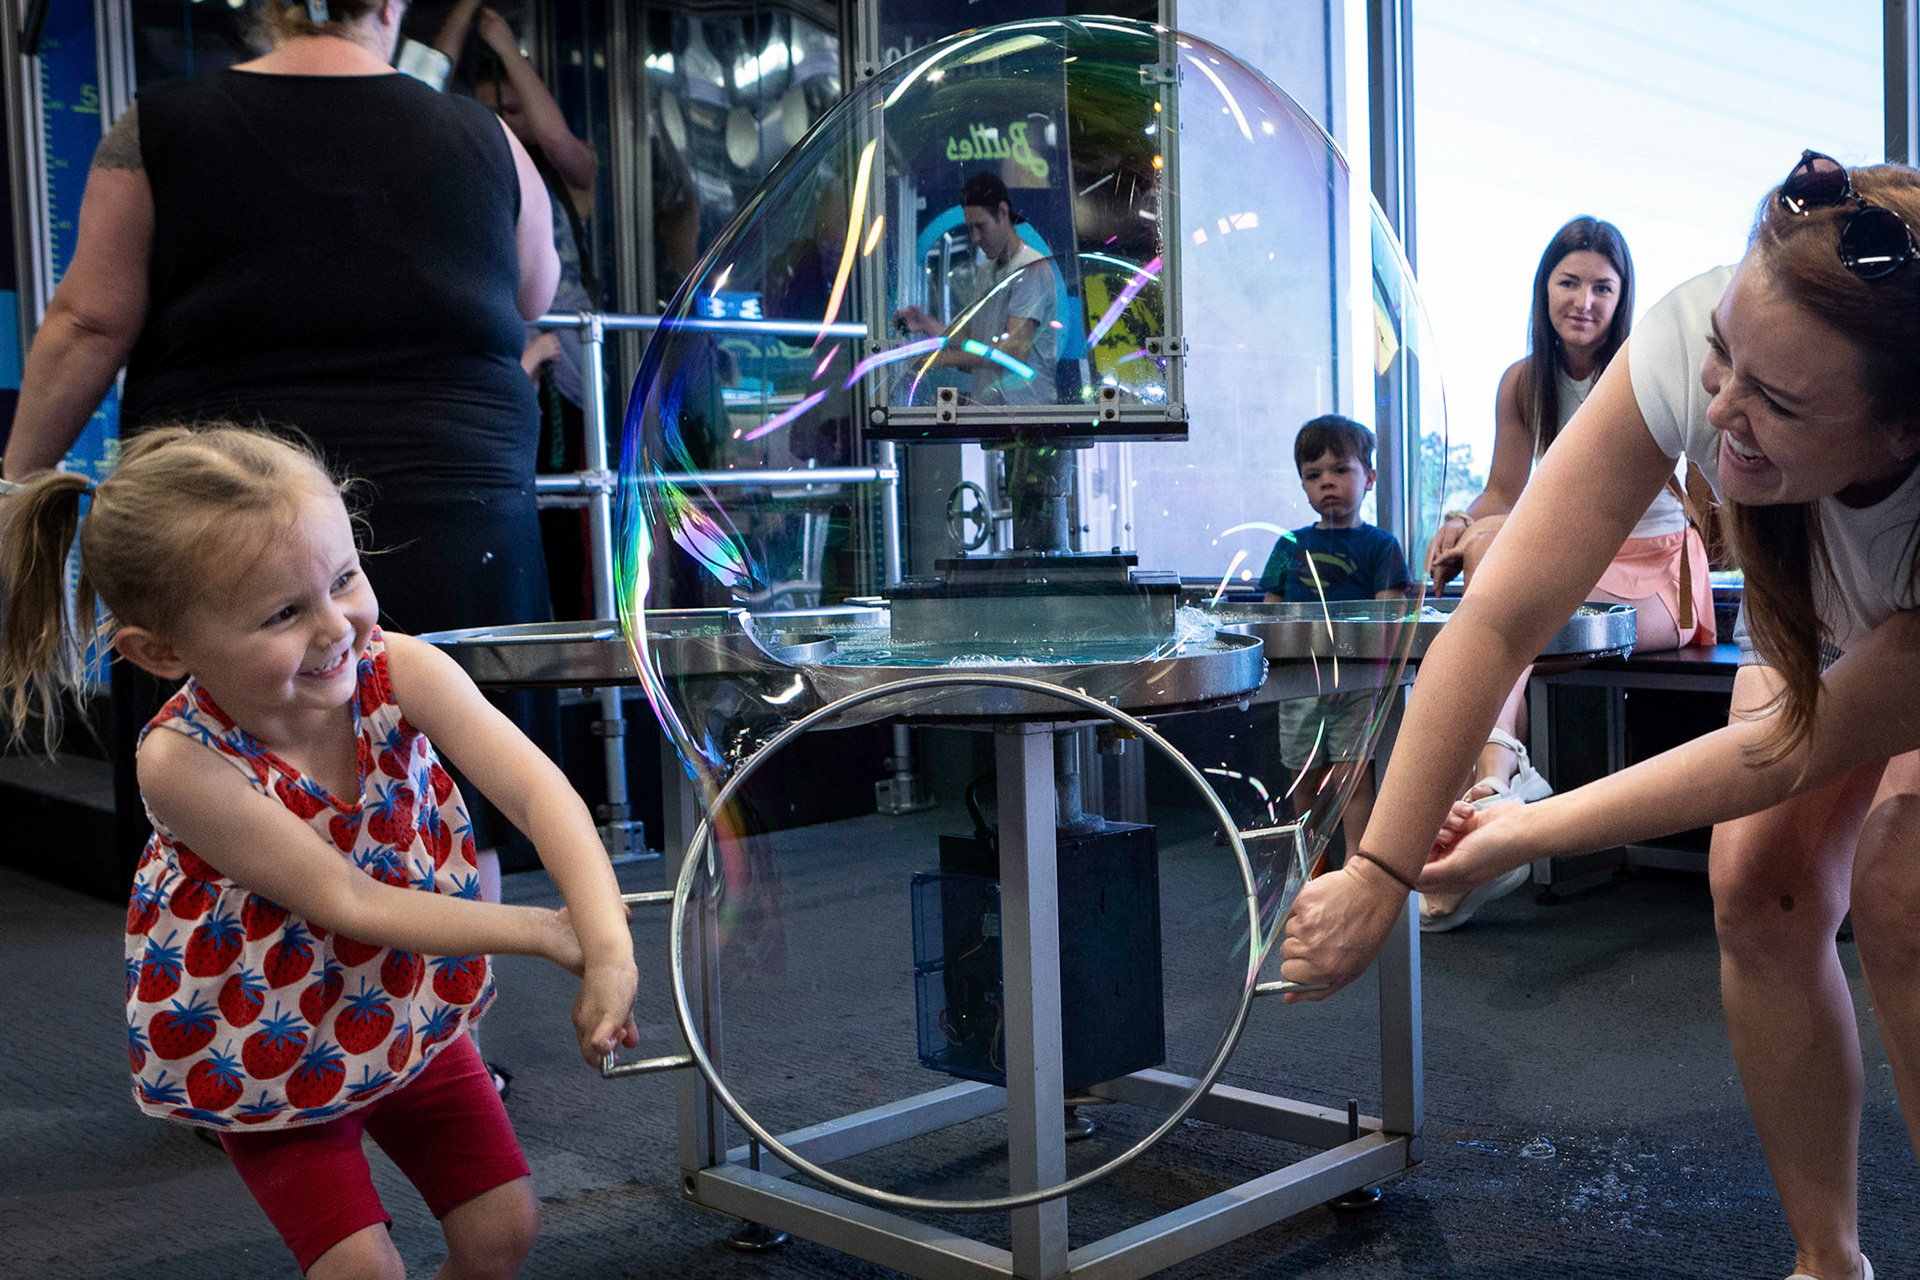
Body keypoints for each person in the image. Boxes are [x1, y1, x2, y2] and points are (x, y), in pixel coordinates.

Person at [1281, 151, 1920, 1280]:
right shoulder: (1696, 337)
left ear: (1901, 430)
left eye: (1777, 401)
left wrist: (1521, 830)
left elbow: (1780, 748)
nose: (1723, 412)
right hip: (1820, 611)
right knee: (1759, 887)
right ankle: (1830, 1261)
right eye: (1727, 359)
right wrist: (1380, 864)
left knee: (1906, 885)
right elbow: (1497, 618)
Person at [0, 0, 561, 1073]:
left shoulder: (162, 124)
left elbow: (87, 321)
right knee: (453, 785)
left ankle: (261, 1061)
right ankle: (451, 1056)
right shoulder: (488, 143)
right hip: (459, 503)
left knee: (228, 778)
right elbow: (525, 290)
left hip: (225, 525)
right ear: (390, 7)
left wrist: (14, 481)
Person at [0, 426, 640, 1279]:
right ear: (160, 651)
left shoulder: (402, 668)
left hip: (400, 1001)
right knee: (361, 1273)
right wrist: (548, 932)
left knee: (502, 1231)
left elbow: (537, 791)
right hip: (260, 1033)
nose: (338, 625)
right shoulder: (180, 760)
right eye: (283, 613)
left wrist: (606, 940)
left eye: (344, 577)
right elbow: (348, 899)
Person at [1418, 217, 1716, 932]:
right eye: (1570, 282)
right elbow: (1504, 491)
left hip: (1655, 577)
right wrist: (1461, 521)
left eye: (1603, 288)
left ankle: (1494, 786)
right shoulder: (1525, 383)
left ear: (1623, 298)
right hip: (1580, 574)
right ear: (1544, 290)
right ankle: (1497, 784)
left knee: (1510, 612)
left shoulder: (1641, 370)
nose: (1584, 300)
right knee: (1490, 553)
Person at [1258, 415, 1410, 864]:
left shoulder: (1381, 546)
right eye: (1314, 474)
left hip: (1357, 683)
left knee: (1353, 778)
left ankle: (1357, 862)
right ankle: (1312, 868)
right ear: (1302, 484)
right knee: (1303, 778)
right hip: (1300, 681)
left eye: (1341, 470)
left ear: (1369, 478)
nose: (1327, 482)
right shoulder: (1289, 544)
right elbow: (1270, 612)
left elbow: (1389, 616)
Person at [893, 172, 1059, 405]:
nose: (976, 238)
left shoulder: (1031, 268)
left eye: (981, 226)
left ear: (1003, 212)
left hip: (1029, 416)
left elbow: (1011, 352)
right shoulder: (987, 271)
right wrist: (926, 324)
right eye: (971, 228)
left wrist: (936, 361)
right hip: (993, 413)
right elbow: (973, 341)